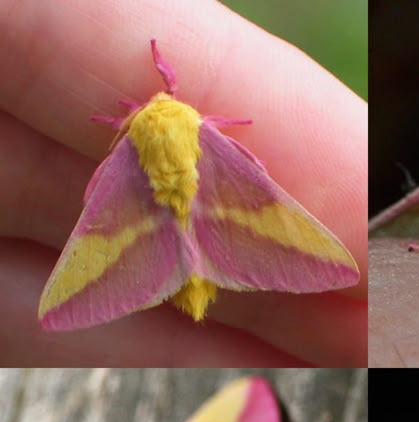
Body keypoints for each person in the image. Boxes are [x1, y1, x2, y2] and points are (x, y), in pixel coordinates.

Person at [1, 0, 366, 366]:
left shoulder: (126, 153)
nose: (159, 99)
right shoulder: (202, 133)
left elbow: (96, 182)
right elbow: (247, 153)